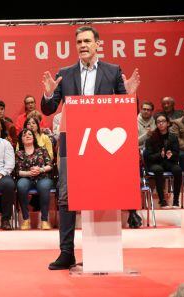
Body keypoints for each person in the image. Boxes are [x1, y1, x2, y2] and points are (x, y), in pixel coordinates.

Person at [41, 26, 140, 270]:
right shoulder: (65, 73)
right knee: (65, 196)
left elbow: (126, 111)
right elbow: (49, 109)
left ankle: (99, 251)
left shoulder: (113, 71)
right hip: (70, 141)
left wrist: (129, 97)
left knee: (101, 193)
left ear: (97, 44)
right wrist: (48, 93)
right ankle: (67, 253)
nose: (83, 45)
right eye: (79, 42)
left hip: (102, 146)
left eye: (87, 41)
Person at [15, 128, 53, 230]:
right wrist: (29, 173)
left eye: (29, 134)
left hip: (42, 177)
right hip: (26, 177)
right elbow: (17, 171)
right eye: (24, 135)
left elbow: (50, 165)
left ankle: (44, 220)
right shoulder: (19, 153)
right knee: (21, 186)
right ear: (21, 140)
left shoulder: (42, 150)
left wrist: (40, 170)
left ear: (34, 137)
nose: (27, 136)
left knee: (44, 187)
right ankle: (26, 219)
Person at [145, 113, 182, 208]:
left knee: (177, 170)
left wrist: (171, 155)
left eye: (163, 121)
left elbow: (177, 153)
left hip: (169, 162)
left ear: (168, 123)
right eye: (158, 122)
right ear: (156, 124)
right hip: (155, 163)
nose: (161, 123)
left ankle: (176, 201)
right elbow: (148, 156)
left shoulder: (173, 137)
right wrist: (159, 155)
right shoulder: (151, 138)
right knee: (158, 170)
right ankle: (162, 201)